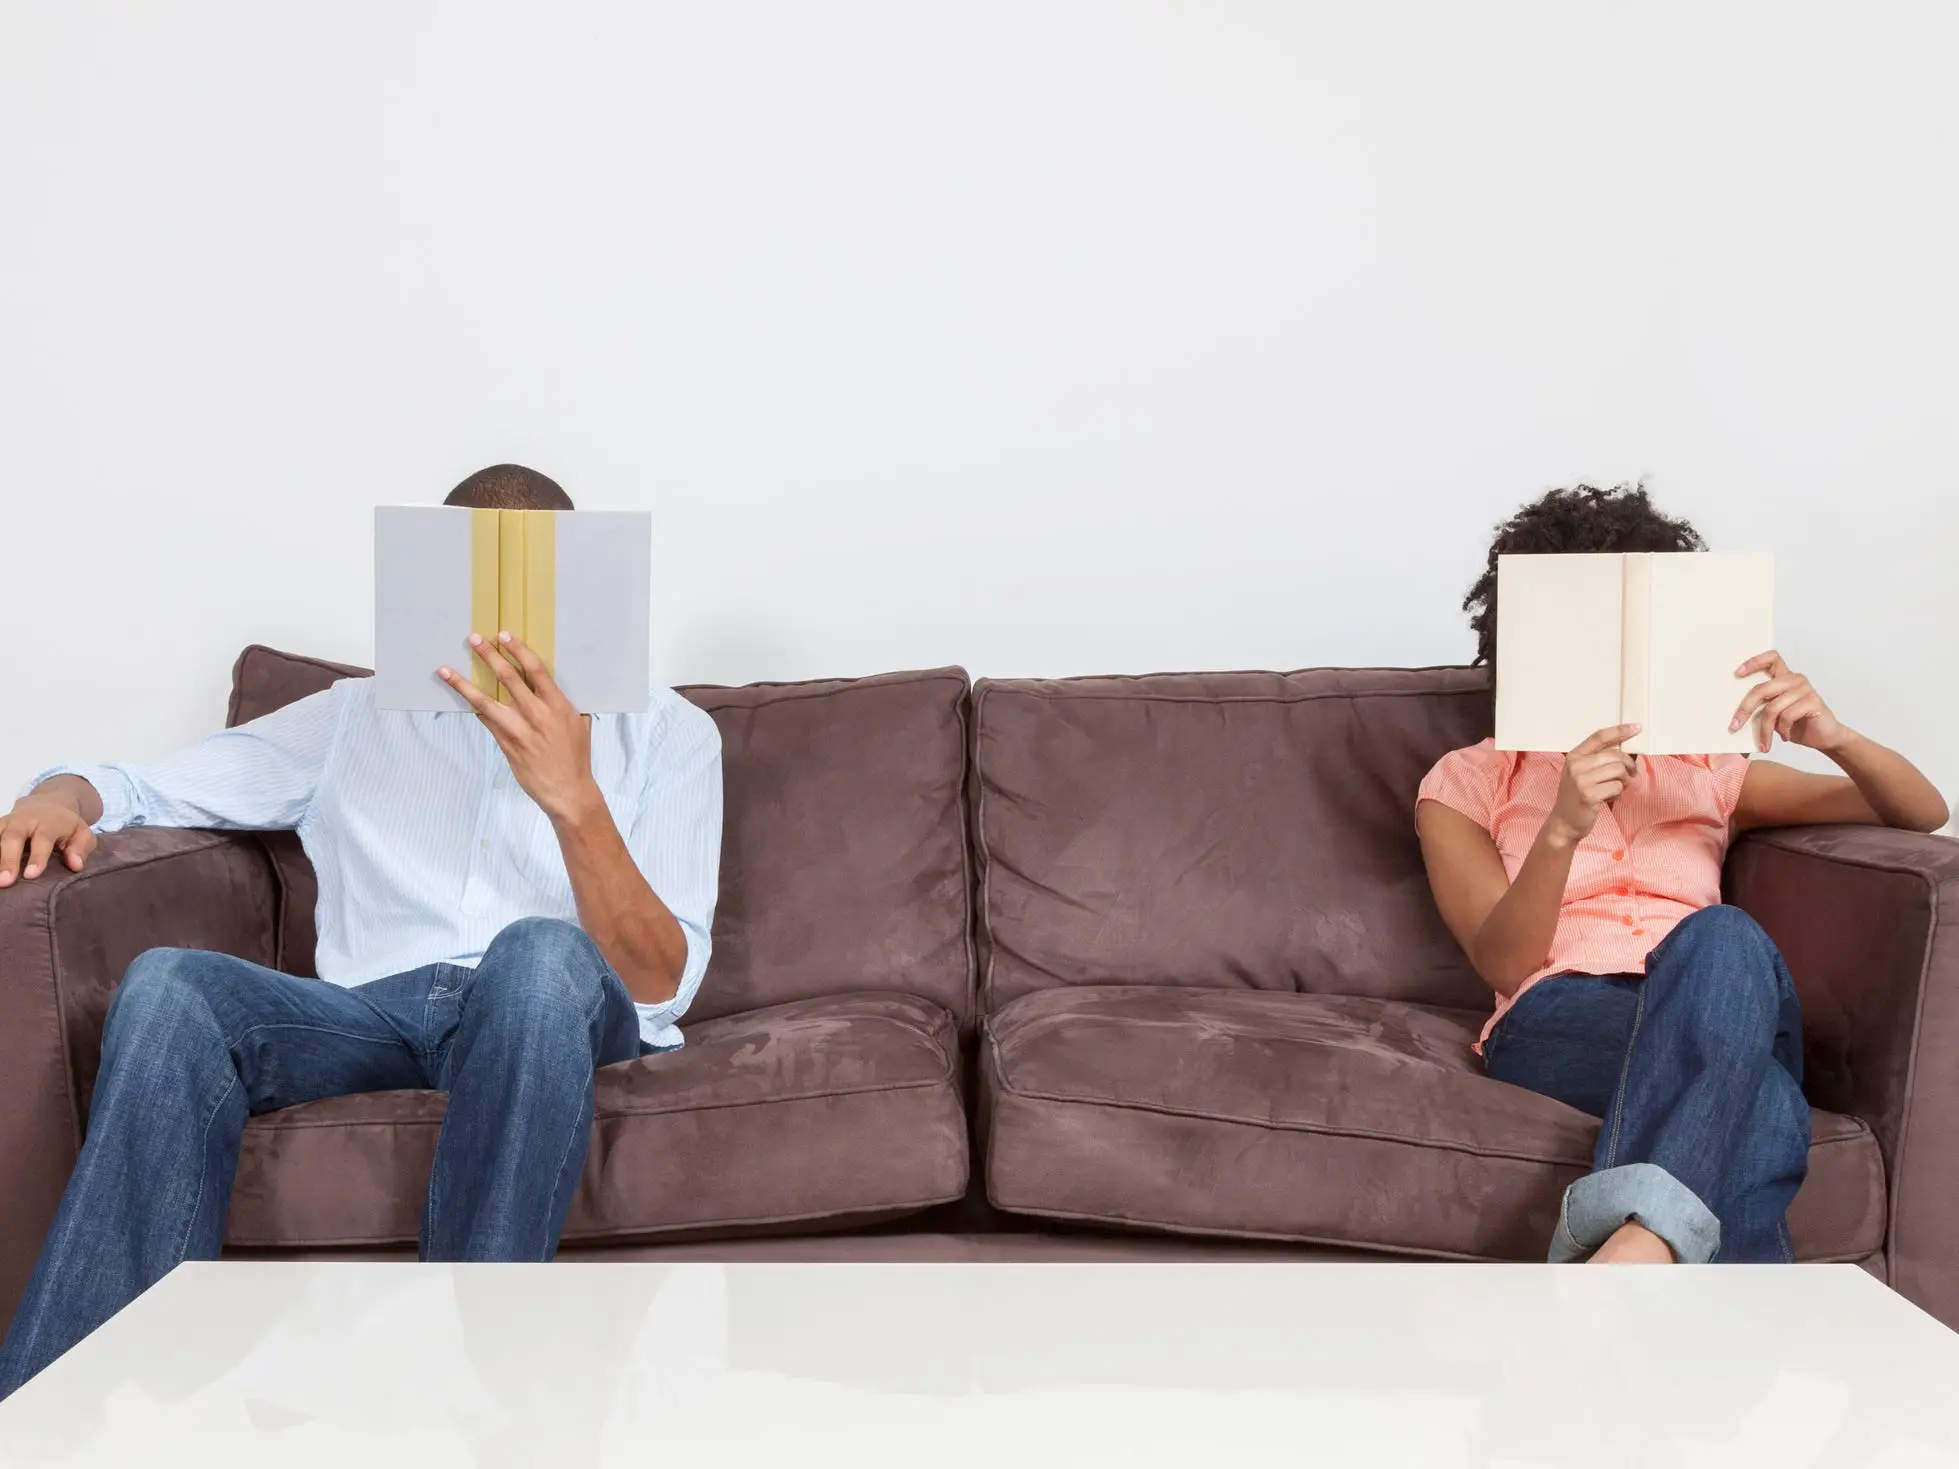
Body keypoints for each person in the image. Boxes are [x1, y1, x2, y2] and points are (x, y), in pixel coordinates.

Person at [0, 464, 722, 1398]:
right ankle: (55, 1419)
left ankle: (495, 1414)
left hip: (548, 1008)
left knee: (535, 956)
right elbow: (144, 785)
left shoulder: (669, 735)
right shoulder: (353, 717)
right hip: (371, 1014)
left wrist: (574, 799)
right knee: (170, 983)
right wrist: (61, 791)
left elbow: (660, 982)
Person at [1417, 483, 1946, 1266]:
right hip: (1558, 1016)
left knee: (1723, 934)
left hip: (1712, 995)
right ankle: (1673, 1297)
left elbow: (1919, 810)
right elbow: (1502, 963)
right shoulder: (1468, 779)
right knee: (1763, 1098)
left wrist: (1834, 737)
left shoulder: (1706, 766)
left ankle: (1628, 1254)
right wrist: (1560, 829)